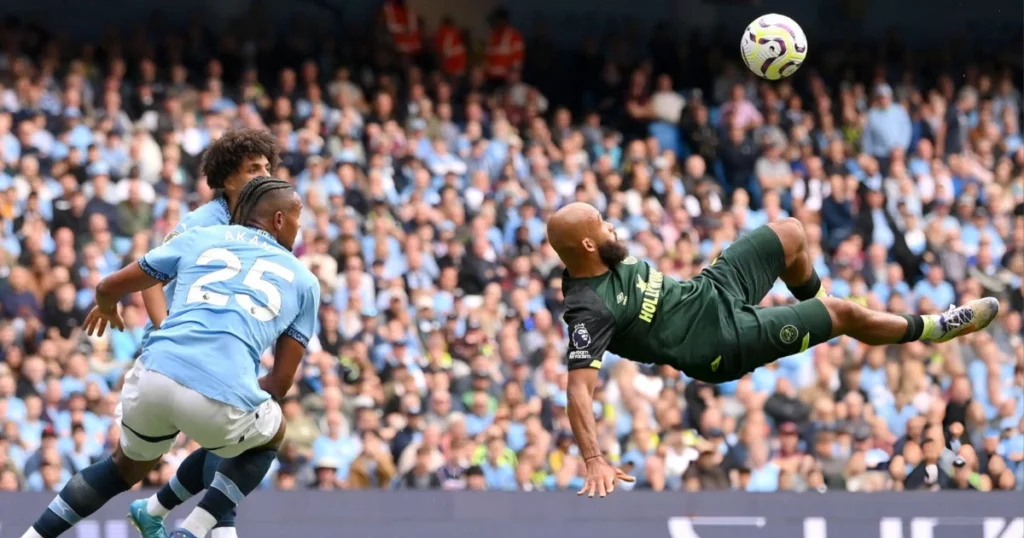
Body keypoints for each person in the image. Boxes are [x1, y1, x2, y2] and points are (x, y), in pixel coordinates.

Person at [547, 202, 998, 499]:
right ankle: (937, 328)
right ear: (588, 244)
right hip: (719, 343)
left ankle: (814, 307)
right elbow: (578, 391)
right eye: (602, 224)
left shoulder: (602, 253)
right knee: (845, 314)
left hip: (707, 291)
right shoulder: (590, 309)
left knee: (791, 233)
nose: (611, 225)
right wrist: (593, 457)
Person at [20, 177, 320, 538]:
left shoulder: (201, 235)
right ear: (277, 220)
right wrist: (230, 389)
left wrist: (106, 305)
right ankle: (191, 530)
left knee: (122, 469)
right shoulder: (305, 280)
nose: (300, 226)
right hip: (220, 397)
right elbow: (281, 384)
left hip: (154, 374)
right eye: (297, 217)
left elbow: (107, 286)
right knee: (271, 433)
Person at [133, 128, 280, 538]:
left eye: (267, 167)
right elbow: (148, 277)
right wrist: (168, 332)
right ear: (226, 179)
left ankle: (154, 509)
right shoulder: (200, 223)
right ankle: (216, 530)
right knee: (232, 434)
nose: (263, 174)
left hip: (229, 345)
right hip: (187, 348)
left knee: (228, 435)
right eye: (253, 168)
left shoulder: (262, 223)